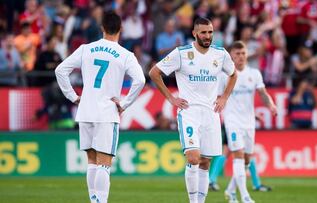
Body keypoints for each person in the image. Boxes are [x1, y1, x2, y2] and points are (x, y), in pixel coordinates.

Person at [55, 11, 145, 203]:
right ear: (121, 29)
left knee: (92, 162)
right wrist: (124, 103)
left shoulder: (86, 49)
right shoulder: (125, 55)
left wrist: (73, 97)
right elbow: (140, 80)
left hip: (86, 111)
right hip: (106, 113)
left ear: (102, 28)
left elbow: (60, 70)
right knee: (104, 163)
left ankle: (94, 200)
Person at [149, 17, 237, 203]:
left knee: (205, 162)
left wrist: (224, 97)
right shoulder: (181, 53)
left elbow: (233, 74)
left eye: (210, 32)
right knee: (194, 157)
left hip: (211, 113)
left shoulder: (220, 54)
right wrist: (171, 98)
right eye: (203, 32)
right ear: (194, 33)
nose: (207, 36)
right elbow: (154, 73)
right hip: (189, 112)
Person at [218, 41, 277, 203]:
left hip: (249, 122)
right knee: (238, 155)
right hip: (232, 121)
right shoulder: (225, 75)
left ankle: (230, 191)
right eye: (237, 54)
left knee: (246, 159)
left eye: (243, 53)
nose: (241, 57)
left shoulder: (254, 74)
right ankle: (245, 196)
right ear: (231, 56)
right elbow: (218, 97)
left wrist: (271, 105)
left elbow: (263, 93)